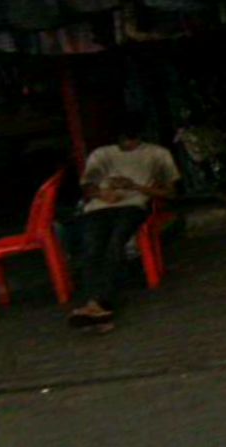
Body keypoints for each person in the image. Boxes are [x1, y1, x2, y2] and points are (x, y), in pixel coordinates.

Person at [69, 117, 181, 329]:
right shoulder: (101, 155)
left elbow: (170, 193)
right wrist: (102, 193)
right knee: (92, 248)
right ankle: (94, 302)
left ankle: (100, 303)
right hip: (99, 208)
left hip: (133, 206)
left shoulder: (157, 154)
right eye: (123, 140)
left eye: (131, 140)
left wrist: (135, 186)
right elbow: (87, 187)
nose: (127, 144)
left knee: (115, 243)